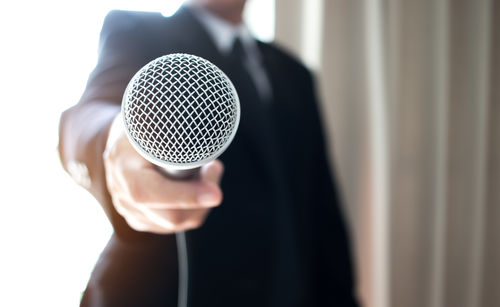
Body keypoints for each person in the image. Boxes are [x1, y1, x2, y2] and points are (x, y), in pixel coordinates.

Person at [58, 0, 359, 306]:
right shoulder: (138, 32)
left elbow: (321, 207)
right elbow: (90, 114)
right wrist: (114, 137)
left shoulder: (294, 73)